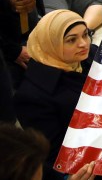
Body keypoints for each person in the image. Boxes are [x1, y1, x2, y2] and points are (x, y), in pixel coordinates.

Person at [14, 10, 97, 180]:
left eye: (85, 35)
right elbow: (54, 154)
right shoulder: (32, 96)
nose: (83, 44)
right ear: (51, 43)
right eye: (71, 40)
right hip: (87, 163)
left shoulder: (89, 58)